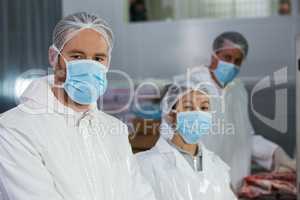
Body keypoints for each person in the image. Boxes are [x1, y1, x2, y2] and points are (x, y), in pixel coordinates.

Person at [0, 12, 156, 200]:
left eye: (98, 59)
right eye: (77, 56)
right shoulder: (14, 128)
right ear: (53, 57)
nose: (89, 66)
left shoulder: (115, 130)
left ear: (108, 62)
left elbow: (139, 194)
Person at [161, 31, 296, 191]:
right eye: (227, 58)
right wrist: (210, 178)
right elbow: (169, 139)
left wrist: (275, 153)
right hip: (198, 187)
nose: (232, 64)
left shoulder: (238, 90)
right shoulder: (188, 87)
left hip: (234, 185)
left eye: (238, 61)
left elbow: (243, 137)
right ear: (214, 56)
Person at [136, 84, 237, 200]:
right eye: (189, 107)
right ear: (170, 115)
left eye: (204, 108)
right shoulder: (144, 164)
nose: (199, 114)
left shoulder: (217, 165)